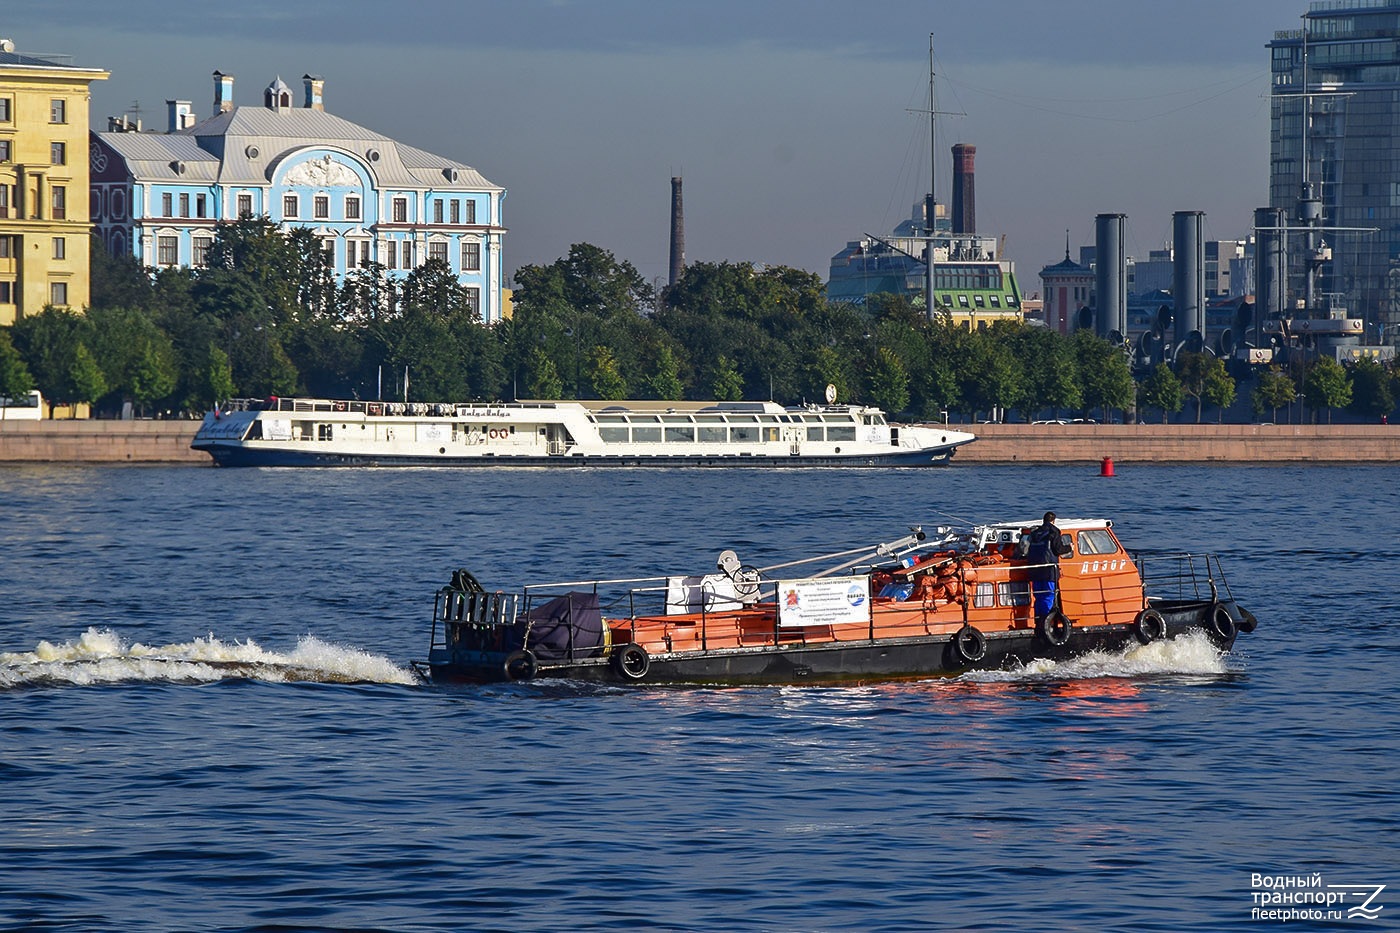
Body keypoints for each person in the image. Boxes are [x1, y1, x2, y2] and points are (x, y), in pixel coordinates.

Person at [1021, 511, 1072, 622]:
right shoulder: (1054, 531)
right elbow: (1058, 549)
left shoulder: (1035, 532)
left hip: (1034, 569)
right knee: (1048, 595)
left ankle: (1038, 619)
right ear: (1053, 521)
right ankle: (1046, 621)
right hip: (1049, 570)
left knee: (1038, 596)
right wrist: (1069, 547)